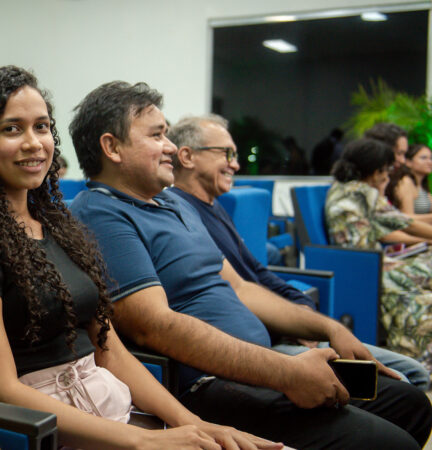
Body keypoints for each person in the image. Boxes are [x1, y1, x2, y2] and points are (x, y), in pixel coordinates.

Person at [69, 81, 432, 448]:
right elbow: (154, 327)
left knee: (410, 404)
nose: (171, 147)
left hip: (262, 364)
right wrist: (285, 372)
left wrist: (330, 328)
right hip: (208, 384)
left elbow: (242, 287)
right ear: (112, 147)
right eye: (157, 135)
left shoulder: (174, 204)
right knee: (388, 442)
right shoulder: (101, 213)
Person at [0, 66, 280, 450]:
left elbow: (109, 350)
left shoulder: (61, 228)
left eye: (42, 127)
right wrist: (139, 441)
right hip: (54, 427)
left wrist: (193, 424)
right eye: (12, 129)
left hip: (112, 407)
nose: (34, 142)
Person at [167, 114, 430, 390]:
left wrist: (302, 307)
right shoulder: (181, 212)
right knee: (406, 383)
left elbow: (257, 272)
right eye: (227, 153)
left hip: (285, 329)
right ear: (187, 157)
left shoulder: (215, 207)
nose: (236, 163)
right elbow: (233, 292)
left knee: (412, 372)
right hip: (260, 346)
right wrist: (301, 325)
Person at [326, 137, 432, 375]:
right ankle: (419, 361)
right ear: (375, 171)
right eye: (386, 170)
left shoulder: (342, 188)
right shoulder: (363, 192)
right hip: (369, 269)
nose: (388, 175)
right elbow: (406, 223)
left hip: (359, 265)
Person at [386, 143, 432, 216]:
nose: (429, 162)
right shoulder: (406, 182)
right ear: (408, 162)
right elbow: (407, 218)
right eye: (423, 158)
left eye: (431, 158)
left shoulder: (421, 185)